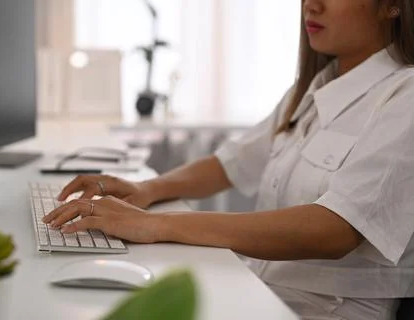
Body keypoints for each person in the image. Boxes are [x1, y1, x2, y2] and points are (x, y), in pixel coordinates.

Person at [43, 0, 414, 319]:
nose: (310, 4)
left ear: (392, 5)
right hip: (262, 289)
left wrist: (155, 225)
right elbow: (232, 162)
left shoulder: (403, 96)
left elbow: (334, 230)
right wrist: (146, 188)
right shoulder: (313, 88)